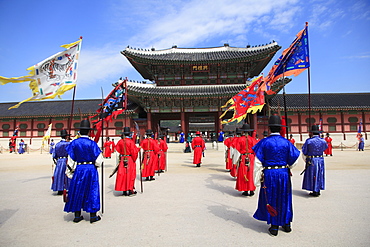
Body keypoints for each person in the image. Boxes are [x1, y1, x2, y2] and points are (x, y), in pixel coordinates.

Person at [252, 115, 300, 236]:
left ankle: (274, 226)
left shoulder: (264, 142)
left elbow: (257, 162)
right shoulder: (286, 142)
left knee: (271, 197)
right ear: (280, 128)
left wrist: (257, 178)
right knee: (284, 197)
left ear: (269, 128)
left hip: (269, 173)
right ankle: (286, 223)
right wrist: (287, 166)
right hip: (283, 173)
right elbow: (295, 160)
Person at [64, 120, 102, 223]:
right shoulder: (92, 143)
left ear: (79, 131)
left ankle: (77, 215)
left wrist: (70, 171)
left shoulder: (74, 143)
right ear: (89, 132)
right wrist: (95, 165)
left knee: (77, 190)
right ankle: (93, 216)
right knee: (92, 190)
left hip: (79, 169)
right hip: (90, 169)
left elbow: (70, 159)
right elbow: (99, 159)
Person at [302, 125, 328, 197]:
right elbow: (325, 148)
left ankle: (314, 189)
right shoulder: (323, 141)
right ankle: (318, 189)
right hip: (320, 159)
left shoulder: (309, 141)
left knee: (312, 174)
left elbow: (305, 151)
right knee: (319, 173)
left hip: (312, 159)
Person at [114, 127, 140, 196]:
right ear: (129, 134)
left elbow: (117, 149)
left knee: (123, 174)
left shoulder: (120, 141)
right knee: (130, 174)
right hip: (130, 159)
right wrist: (137, 151)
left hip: (123, 158)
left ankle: (124, 190)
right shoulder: (131, 142)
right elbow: (134, 152)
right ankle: (130, 190)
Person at [235, 124, 257, 196]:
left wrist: (235, 160)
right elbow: (256, 150)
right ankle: (251, 189)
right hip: (251, 157)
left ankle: (245, 189)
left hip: (243, 157)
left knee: (244, 172)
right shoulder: (253, 140)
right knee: (251, 173)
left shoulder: (240, 139)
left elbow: (237, 150)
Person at [51, 130, 71, 195]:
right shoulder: (68, 144)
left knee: (59, 174)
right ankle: (67, 188)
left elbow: (54, 155)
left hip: (59, 161)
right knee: (67, 174)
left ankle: (59, 188)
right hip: (66, 160)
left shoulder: (57, 145)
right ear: (66, 136)